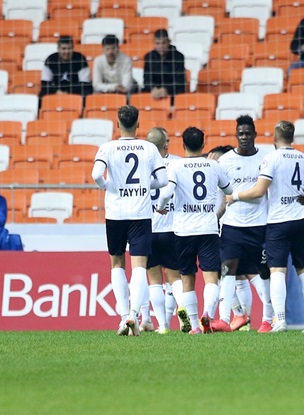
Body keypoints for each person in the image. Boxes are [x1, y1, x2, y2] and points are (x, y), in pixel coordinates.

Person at [228, 121, 304, 333]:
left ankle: (279, 320)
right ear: (292, 137)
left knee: (277, 270)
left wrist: (235, 195)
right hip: (300, 219)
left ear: (274, 137)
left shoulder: (271, 158)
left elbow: (259, 191)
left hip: (278, 221)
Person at [91, 105, 168, 336]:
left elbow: (96, 175)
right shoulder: (148, 148)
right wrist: (146, 185)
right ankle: (135, 314)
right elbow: (163, 181)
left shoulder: (107, 148)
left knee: (116, 264)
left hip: (115, 213)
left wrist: (107, 187)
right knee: (139, 267)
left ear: (118, 124)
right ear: (138, 124)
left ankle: (124, 317)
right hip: (140, 214)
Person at [156, 127, 233, 334]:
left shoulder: (176, 166)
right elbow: (229, 190)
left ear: (183, 145)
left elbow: (167, 191)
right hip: (208, 228)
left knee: (187, 279)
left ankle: (194, 325)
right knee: (211, 278)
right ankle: (207, 312)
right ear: (203, 144)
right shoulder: (213, 166)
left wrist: (161, 205)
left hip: (183, 230)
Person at [213, 115, 273, 334]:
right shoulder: (226, 161)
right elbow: (221, 196)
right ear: (236, 136)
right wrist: (216, 218)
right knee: (227, 270)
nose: (245, 137)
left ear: (255, 134)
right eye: (241, 134)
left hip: (259, 225)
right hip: (232, 226)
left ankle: (267, 320)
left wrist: (236, 196)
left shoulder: (266, 159)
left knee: (262, 274)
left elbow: (263, 193)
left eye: (248, 133)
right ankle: (223, 319)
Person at [141, 127, 184, 334]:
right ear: (165, 143)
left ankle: (163, 326)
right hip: (173, 229)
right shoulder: (178, 163)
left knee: (155, 280)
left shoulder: (142, 164)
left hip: (148, 229)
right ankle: (183, 308)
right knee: (175, 278)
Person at [142, 29, 185, 100]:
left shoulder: (178, 56)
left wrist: (166, 89)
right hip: (154, 91)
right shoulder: (149, 57)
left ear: (169, 42)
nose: (161, 46)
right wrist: (153, 89)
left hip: (173, 91)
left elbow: (179, 81)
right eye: (157, 43)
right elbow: (147, 79)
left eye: (163, 43)